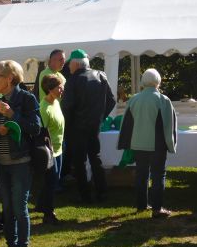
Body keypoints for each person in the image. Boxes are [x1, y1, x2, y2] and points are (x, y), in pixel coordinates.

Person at [0, 60, 41, 247]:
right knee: (8, 209)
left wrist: (12, 114)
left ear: (10, 78)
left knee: (19, 207)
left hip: (21, 161)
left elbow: (35, 127)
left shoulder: (27, 98)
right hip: (1, 162)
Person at [118, 69, 177, 218]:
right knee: (158, 175)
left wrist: (126, 143)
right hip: (157, 145)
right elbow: (169, 125)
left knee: (141, 174)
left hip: (138, 144)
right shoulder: (163, 100)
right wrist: (171, 144)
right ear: (158, 81)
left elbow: (126, 123)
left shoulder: (134, 99)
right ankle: (157, 209)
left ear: (142, 82)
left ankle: (141, 204)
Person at [61, 49, 116, 203]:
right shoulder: (101, 75)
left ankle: (84, 195)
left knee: (79, 162)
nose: (69, 67)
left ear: (76, 64)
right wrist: (100, 117)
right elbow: (111, 101)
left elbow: (67, 106)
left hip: (76, 127)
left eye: (70, 64)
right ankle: (102, 192)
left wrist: (67, 125)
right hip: (94, 126)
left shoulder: (72, 80)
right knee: (95, 158)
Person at [35, 75, 65, 224]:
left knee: (53, 181)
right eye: (59, 87)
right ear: (50, 89)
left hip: (59, 149)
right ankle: (48, 214)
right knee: (51, 183)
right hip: (50, 151)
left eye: (62, 86)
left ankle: (41, 206)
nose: (62, 89)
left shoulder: (56, 102)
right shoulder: (44, 108)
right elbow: (41, 133)